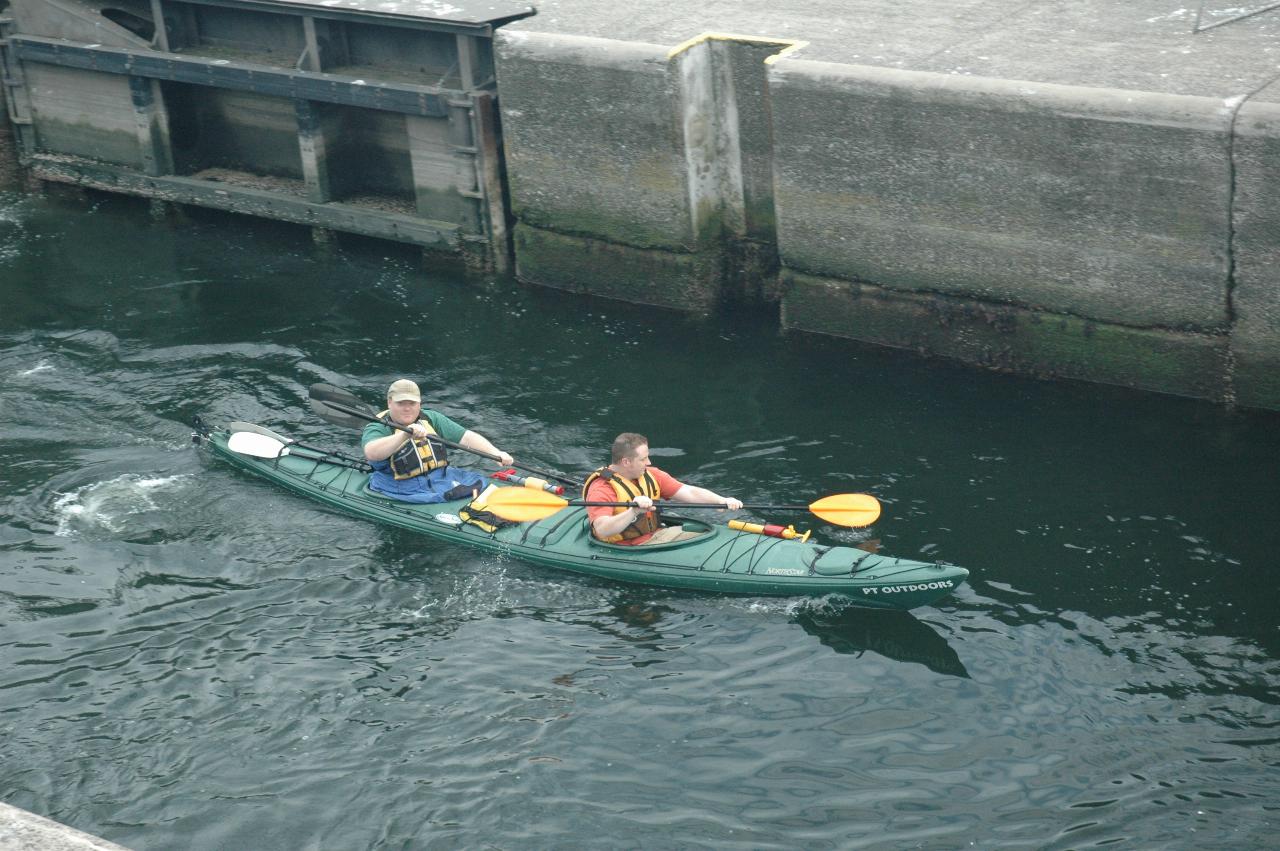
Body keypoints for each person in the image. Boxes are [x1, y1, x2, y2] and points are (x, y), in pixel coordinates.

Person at [361, 379, 513, 504]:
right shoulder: (379, 426)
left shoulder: (430, 418)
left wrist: (495, 452)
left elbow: (466, 437)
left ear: (419, 403)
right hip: (401, 487)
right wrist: (404, 435)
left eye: (412, 403)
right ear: (389, 402)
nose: (407, 409)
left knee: (477, 482)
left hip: (440, 477)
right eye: (401, 403)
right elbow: (371, 452)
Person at [584, 432, 743, 545]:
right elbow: (602, 529)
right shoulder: (602, 488)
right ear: (626, 462)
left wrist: (721, 500)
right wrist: (632, 511)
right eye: (643, 459)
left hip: (655, 535)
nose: (649, 462)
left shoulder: (651, 475)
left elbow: (688, 492)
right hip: (628, 547)